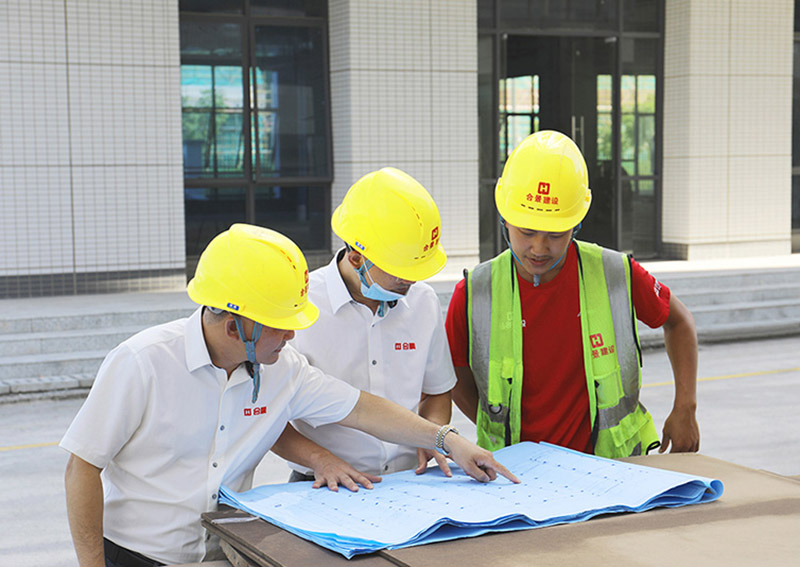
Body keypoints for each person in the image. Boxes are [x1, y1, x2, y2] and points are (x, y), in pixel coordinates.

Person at [61, 224, 518, 567]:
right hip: (135, 555)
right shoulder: (143, 363)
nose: (292, 336)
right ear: (236, 326)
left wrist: (448, 440)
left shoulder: (283, 369)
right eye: (282, 325)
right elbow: (82, 467)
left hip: (223, 550)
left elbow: (362, 409)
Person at [445, 130, 700, 459]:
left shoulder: (615, 274)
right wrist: (495, 422)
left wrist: (685, 407)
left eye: (555, 234)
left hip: (612, 468)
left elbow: (679, 322)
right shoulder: (475, 293)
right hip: (517, 471)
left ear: (576, 224)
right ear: (504, 220)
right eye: (526, 232)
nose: (539, 248)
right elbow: (453, 374)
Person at [270, 168, 456, 491]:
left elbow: (438, 390)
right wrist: (319, 459)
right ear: (357, 258)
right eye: (400, 271)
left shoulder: (423, 302)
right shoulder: (301, 307)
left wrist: (433, 434)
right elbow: (267, 416)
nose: (410, 281)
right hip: (321, 484)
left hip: (408, 480)